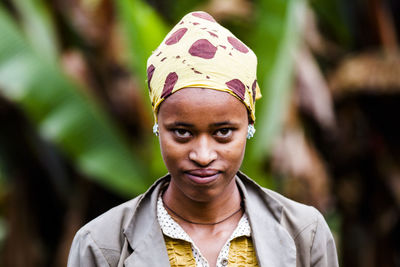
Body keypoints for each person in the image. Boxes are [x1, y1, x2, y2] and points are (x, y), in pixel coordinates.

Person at [67, 11, 339, 267]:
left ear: (249, 126)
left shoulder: (305, 234)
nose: (203, 154)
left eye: (223, 132)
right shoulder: (101, 245)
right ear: (157, 127)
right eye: (182, 132)